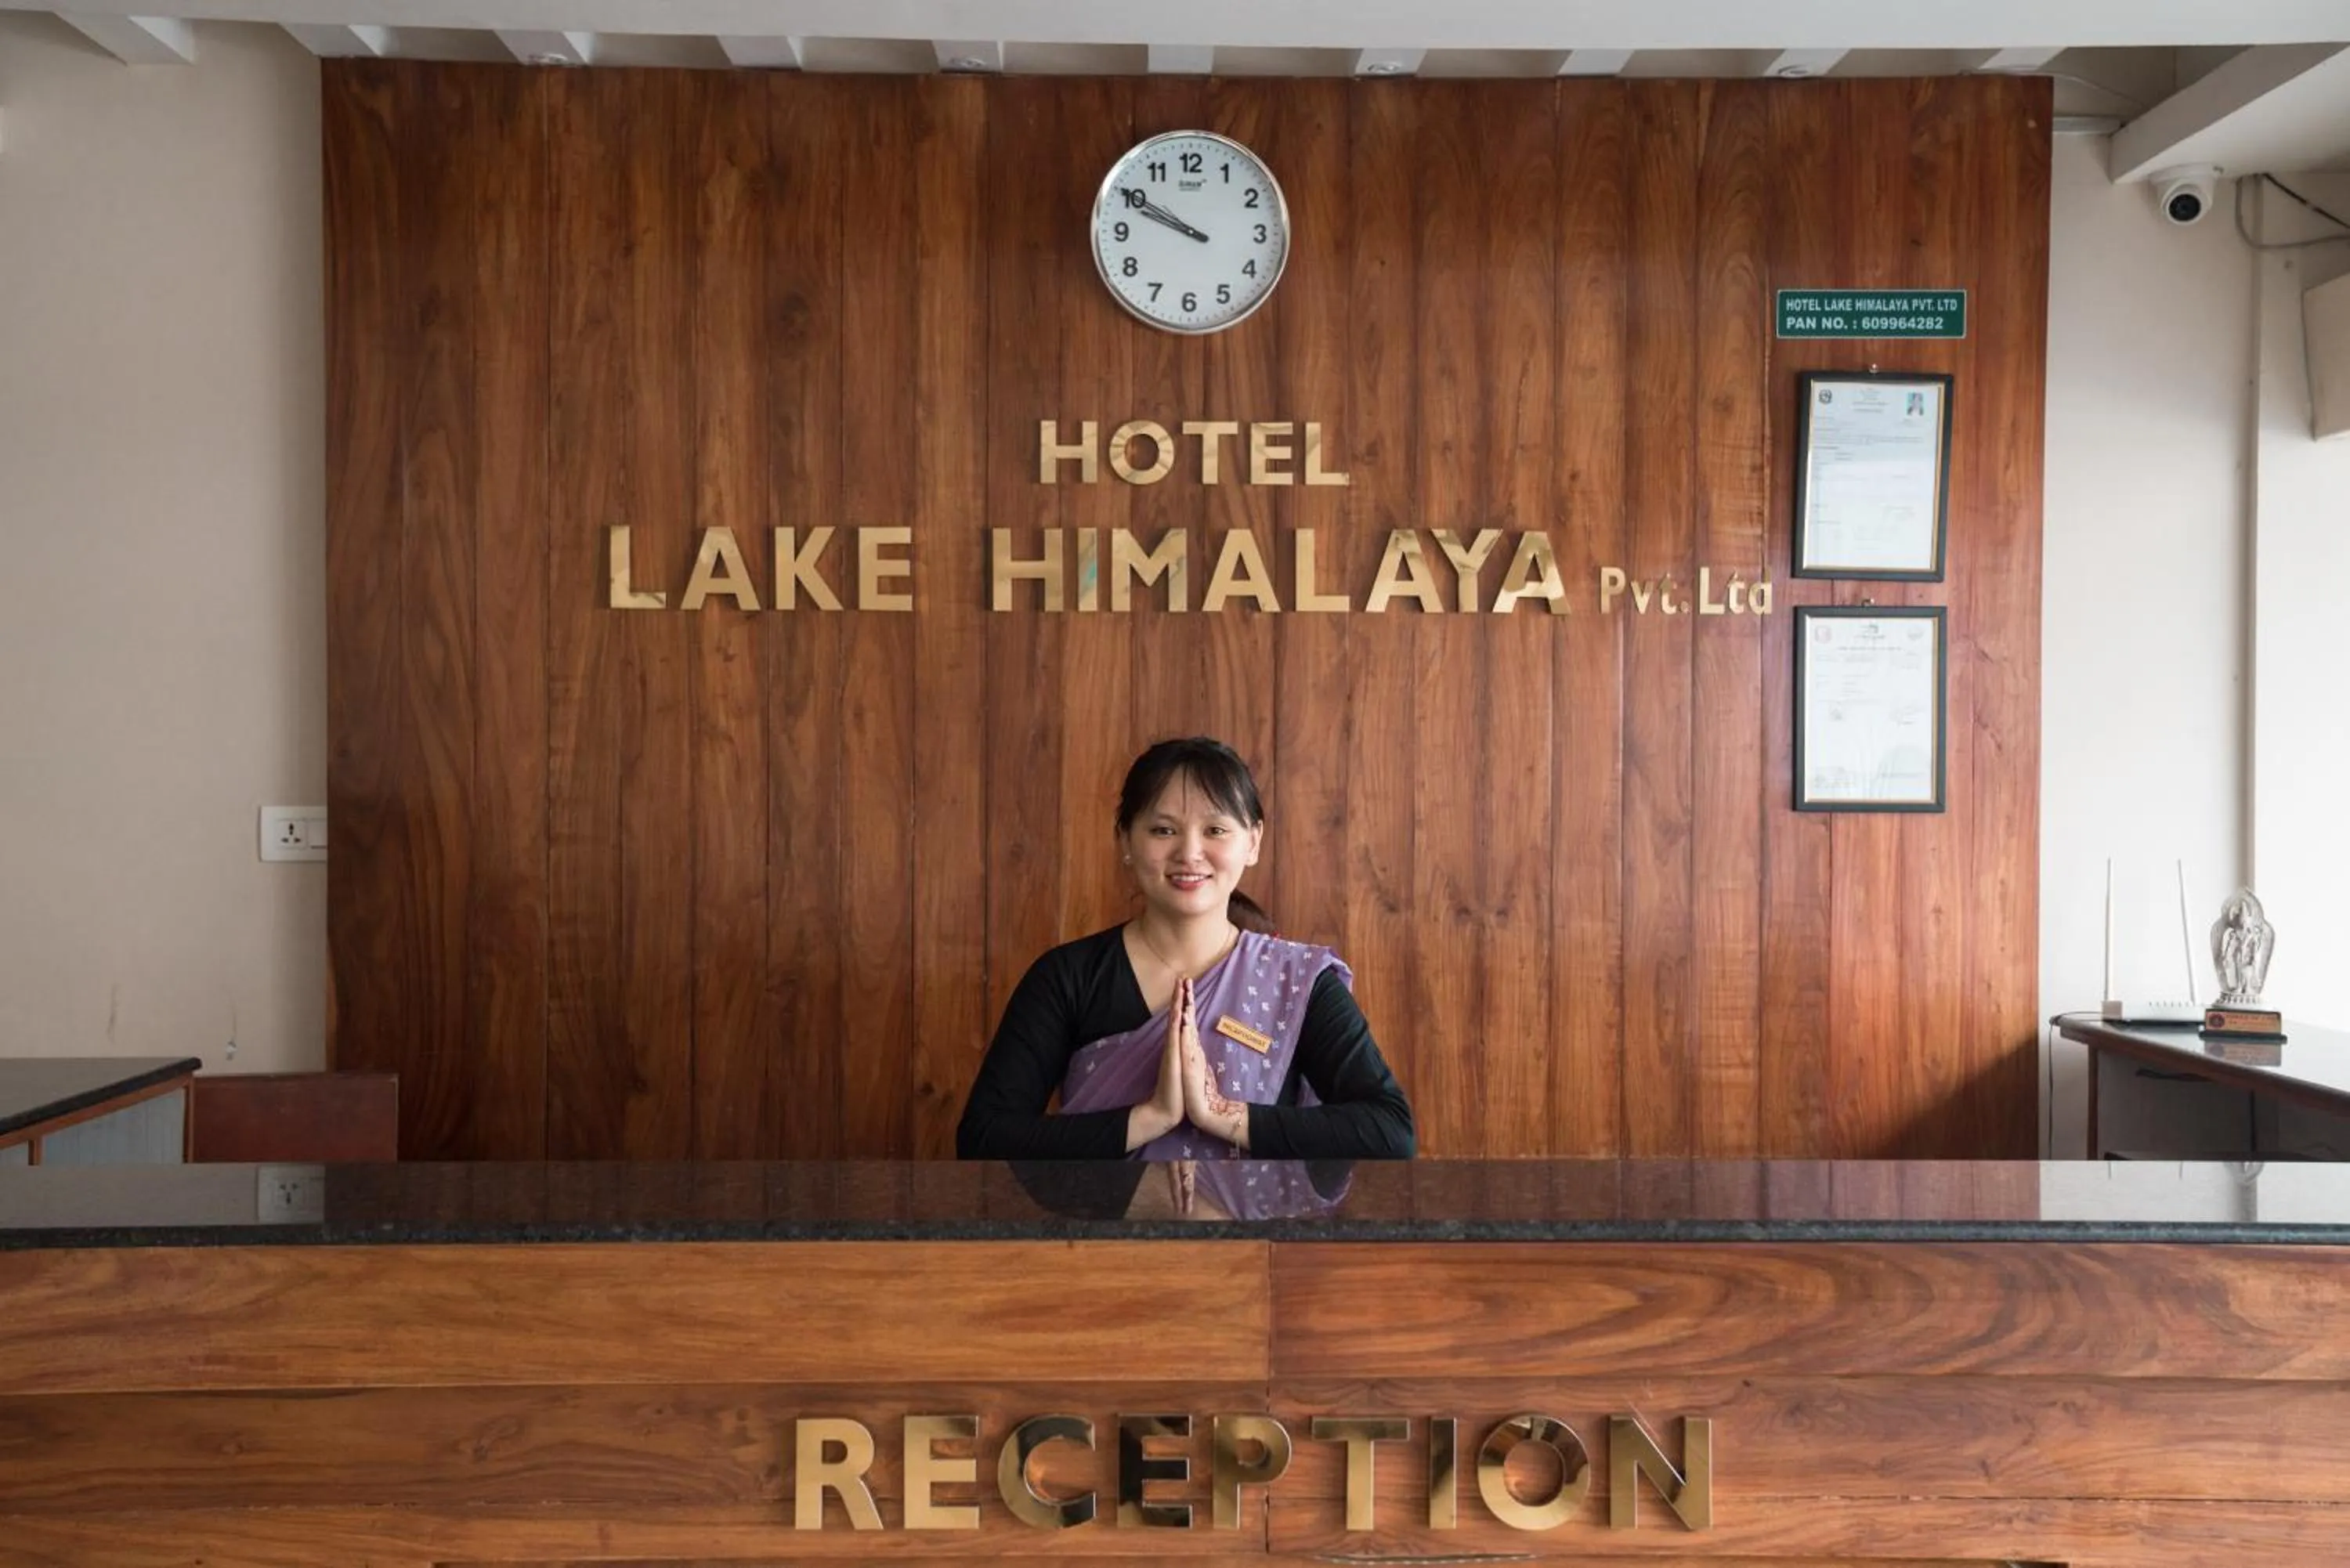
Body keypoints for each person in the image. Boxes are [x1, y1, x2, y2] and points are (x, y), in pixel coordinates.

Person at [956, 736, 1415, 1164]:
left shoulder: (1296, 980)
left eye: (1215, 830)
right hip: (1094, 1245)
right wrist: (1150, 1117)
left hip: (1252, 1248)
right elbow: (983, 1139)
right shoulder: (1067, 976)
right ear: (1126, 841)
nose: (1190, 853)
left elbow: (1390, 1132)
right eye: (1163, 830)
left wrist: (1220, 1115)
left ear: (1252, 842)